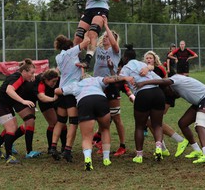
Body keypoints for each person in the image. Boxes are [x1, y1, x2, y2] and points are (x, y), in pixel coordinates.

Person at [55, 73, 134, 171]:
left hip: (84, 102)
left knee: (87, 136)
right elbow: (111, 79)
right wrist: (125, 77)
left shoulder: (75, 84)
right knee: (105, 129)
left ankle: (88, 159)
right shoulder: (97, 79)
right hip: (100, 100)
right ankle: (106, 159)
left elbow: (58, 91)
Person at [135, 74, 205, 164]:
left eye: (166, 92)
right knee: (183, 123)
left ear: (168, 87)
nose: (168, 95)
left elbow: (163, 81)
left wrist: (143, 82)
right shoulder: (173, 87)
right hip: (199, 102)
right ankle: (197, 151)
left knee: (199, 126)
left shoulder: (175, 80)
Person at [118, 44, 165, 163]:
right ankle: (158, 148)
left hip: (143, 94)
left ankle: (139, 156)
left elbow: (118, 81)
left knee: (139, 126)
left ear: (125, 58)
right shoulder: (144, 65)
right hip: (157, 92)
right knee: (158, 125)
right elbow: (160, 80)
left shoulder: (126, 68)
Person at [74, 0, 121, 69]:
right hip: (89, 9)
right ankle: (74, 58)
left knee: (93, 33)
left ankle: (87, 60)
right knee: (78, 36)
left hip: (102, 9)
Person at [49, 34, 90, 162]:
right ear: (71, 46)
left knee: (60, 121)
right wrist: (88, 31)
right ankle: (67, 150)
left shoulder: (59, 57)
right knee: (73, 122)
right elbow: (86, 42)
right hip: (71, 92)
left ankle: (53, 146)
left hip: (62, 91)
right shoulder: (71, 53)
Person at [140, 50, 187, 157]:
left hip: (165, 97)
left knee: (155, 121)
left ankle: (180, 140)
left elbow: (165, 83)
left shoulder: (159, 68)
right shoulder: (143, 69)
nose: (148, 60)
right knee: (150, 122)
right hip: (154, 97)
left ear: (154, 59)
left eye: (150, 58)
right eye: (147, 58)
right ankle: (162, 147)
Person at [0, 59, 36, 164]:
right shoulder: (18, 77)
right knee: (11, 127)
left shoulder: (22, 78)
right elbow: (9, 90)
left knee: (13, 127)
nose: (33, 75)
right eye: (31, 73)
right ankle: (9, 156)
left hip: (4, 104)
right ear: (24, 72)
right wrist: (23, 101)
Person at [92, 18, 127, 156]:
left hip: (111, 86)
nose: (106, 38)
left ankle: (122, 145)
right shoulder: (99, 49)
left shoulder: (115, 51)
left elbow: (114, 43)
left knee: (116, 117)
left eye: (109, 37)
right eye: (104, 36)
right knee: (101, 116)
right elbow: (91, 39)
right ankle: (100, 141)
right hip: (97, 85)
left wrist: (106, 25)